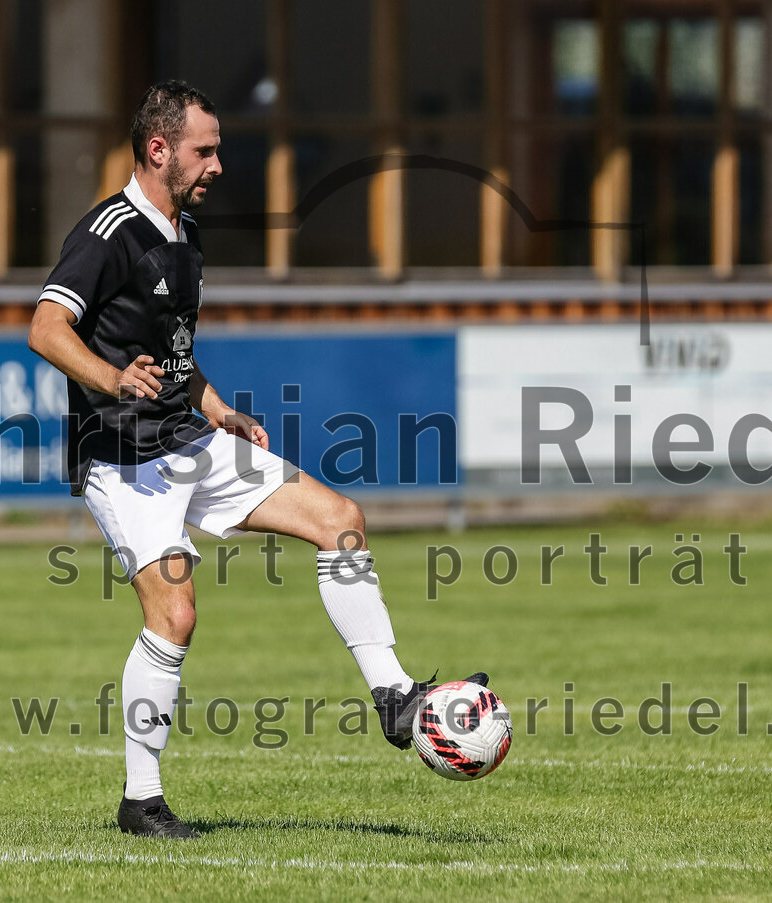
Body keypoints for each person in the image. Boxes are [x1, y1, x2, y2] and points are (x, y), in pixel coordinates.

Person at [28, 81, 484, 839]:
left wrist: (217, 407)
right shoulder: (107, 232)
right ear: (158, 148)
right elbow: (45, 327)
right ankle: (140, 801)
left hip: (190, 439)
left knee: (341, 519)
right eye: (205, 150)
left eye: (218, 149)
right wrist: (112, 379)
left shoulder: (186, 235)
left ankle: (396, 697)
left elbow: (177, 355)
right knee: (174, 614)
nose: (217, 164)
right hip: (124, 460)